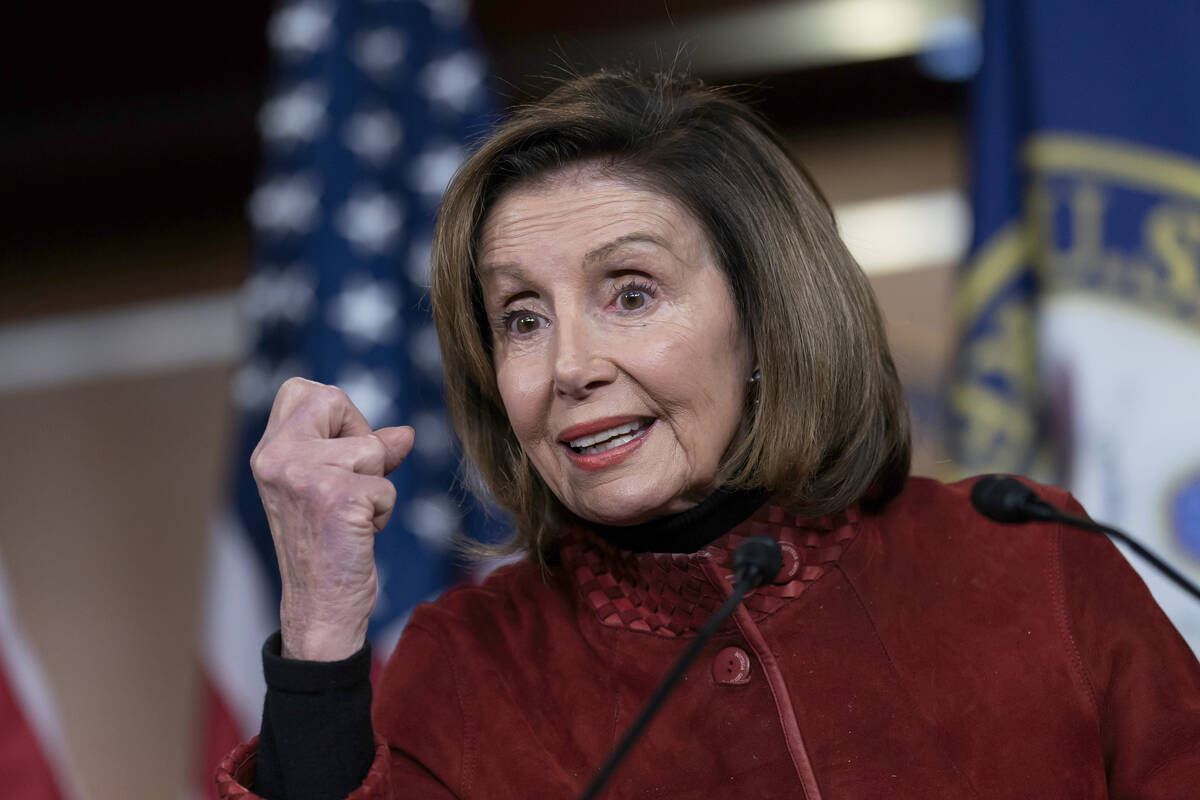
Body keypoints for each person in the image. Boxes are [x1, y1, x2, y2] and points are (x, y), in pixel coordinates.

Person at [216, 71, 1200, 799]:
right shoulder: (467, 666)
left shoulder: (1025, 560)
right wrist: (321, 622)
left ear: (766, 318)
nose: (568, 364)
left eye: (631, 292)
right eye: (522, 316)